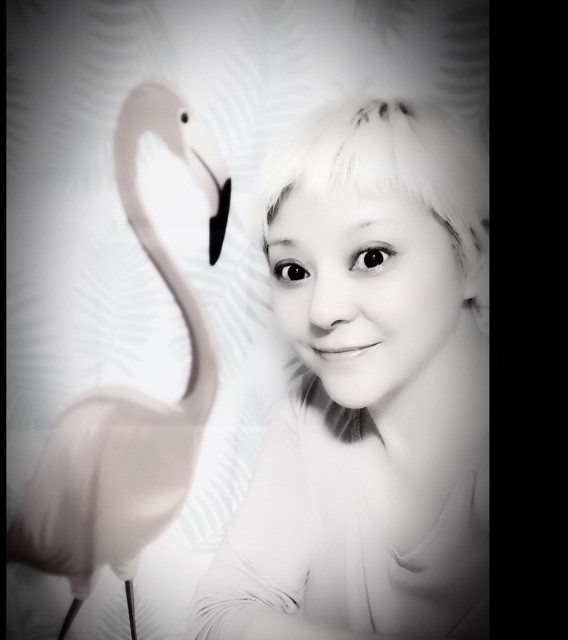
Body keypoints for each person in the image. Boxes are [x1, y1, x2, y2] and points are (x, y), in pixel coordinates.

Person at [185, 95, 489, 640]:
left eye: (372, 257)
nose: (323, 311)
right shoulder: (311, 414)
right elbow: (222, 610)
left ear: (473, 256)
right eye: (293, 269)